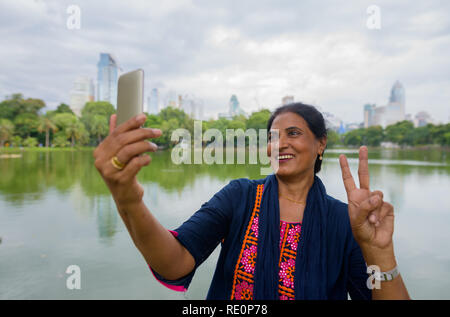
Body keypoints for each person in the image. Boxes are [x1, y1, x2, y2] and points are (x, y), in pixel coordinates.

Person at [93, 103, 410, 300]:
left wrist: (380, 252)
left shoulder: (345, 222)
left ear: (320, 143)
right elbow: (174, 262)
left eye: (294, 133)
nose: (280, 143)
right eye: (273, 136)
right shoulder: (241, 196)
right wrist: (128, 201)